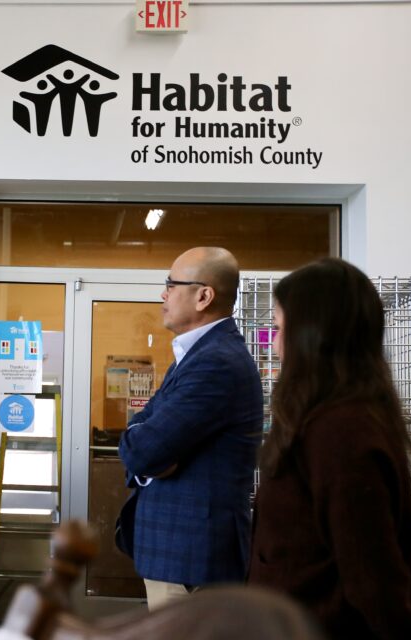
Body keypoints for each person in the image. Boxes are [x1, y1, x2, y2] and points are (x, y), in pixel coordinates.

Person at [247, 258, 411, 638]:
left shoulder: (340, 433)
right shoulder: (331, 421)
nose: (275, 344)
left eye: (278, 329)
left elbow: (376, 580)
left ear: (312, 336)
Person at [116, 247, 263, 610]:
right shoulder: (197, 356)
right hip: (183, 557)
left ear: (203, 296)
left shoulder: (216, 362)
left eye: (171, 284)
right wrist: (150, 453)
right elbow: (142, 432)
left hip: (191, 560)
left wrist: (149, 455)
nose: (163, 294)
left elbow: (143, 450)